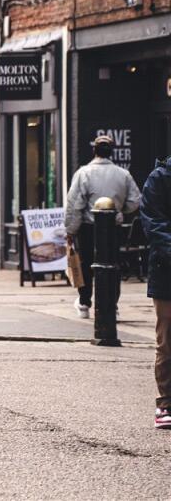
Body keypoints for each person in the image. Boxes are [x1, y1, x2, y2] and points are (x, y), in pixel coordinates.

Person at [65, 134, 142, 318]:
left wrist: (70, 230)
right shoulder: (123, 174)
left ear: (94, 150)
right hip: (112, 228)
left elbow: (75, 204)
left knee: (85, 265)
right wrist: (119, 209)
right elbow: (135, 201)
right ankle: (111, 306)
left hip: (88, 228)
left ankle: (84, 303)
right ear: (111, 152)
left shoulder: (84, 173)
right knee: (112, 266)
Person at [140, 155, 171, 429]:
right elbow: (153, 224)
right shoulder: (159, 179)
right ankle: (166, 405)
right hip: (166, 271)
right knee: (168, 339)